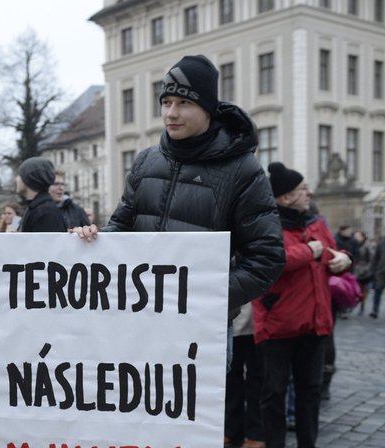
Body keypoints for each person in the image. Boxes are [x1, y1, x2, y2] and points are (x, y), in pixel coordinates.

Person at [71, 53, 284, 319]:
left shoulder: (242, 169)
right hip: (142, 315)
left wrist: (206, 295)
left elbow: (266, 258)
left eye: (184, 103)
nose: (171, 113)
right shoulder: (145, 162)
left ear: (207, 108)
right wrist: (93, 237)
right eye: (166, 102)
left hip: (202, 325)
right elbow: (121, 228)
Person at [252, 162, 351, 448]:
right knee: (273, 392)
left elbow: (333, 254)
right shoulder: (266, 224)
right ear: (284, 198)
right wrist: (311, 251)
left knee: (310, 391)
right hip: (278, 323)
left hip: (315, 323)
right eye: (301, 190)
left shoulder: (316, 224)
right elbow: (273, 259)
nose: (308, 193)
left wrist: (345, 260)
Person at [224, 302, 264, 448]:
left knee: (257, 377)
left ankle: (256, 430)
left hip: (258, 316)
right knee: (231, 376)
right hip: (232, 315)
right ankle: (231, 427)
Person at [15, 157, 65, 232]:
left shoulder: (45, 212)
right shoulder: (37, 208)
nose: (16, 179)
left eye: (20, 175)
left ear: (30, 178)